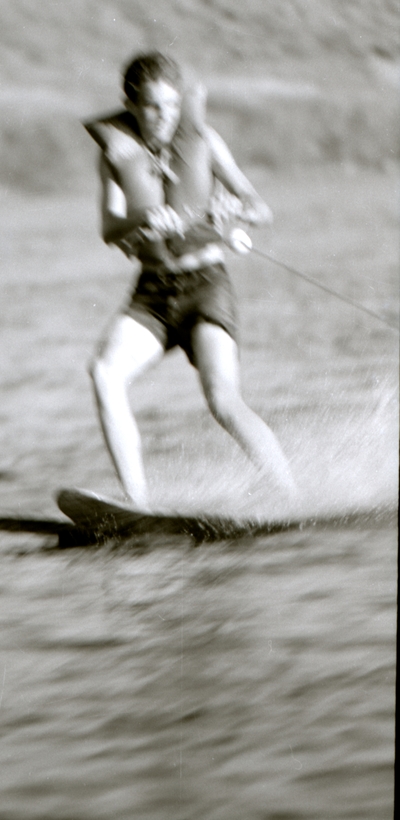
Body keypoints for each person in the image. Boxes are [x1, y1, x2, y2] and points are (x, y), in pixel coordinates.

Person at [84, 51, 295, 509]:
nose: (164, 117)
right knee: (104, 373)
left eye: (172, 107)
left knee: (222, 399)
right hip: (153, 293)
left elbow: (260, 208)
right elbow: (109, 229)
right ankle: (136, 504)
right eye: (153, 107)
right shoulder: (115, 155)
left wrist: (233, 208)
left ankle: (289, 493)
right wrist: (143, 217)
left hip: (206, 287)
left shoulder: (204, 141)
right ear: (131, 103)